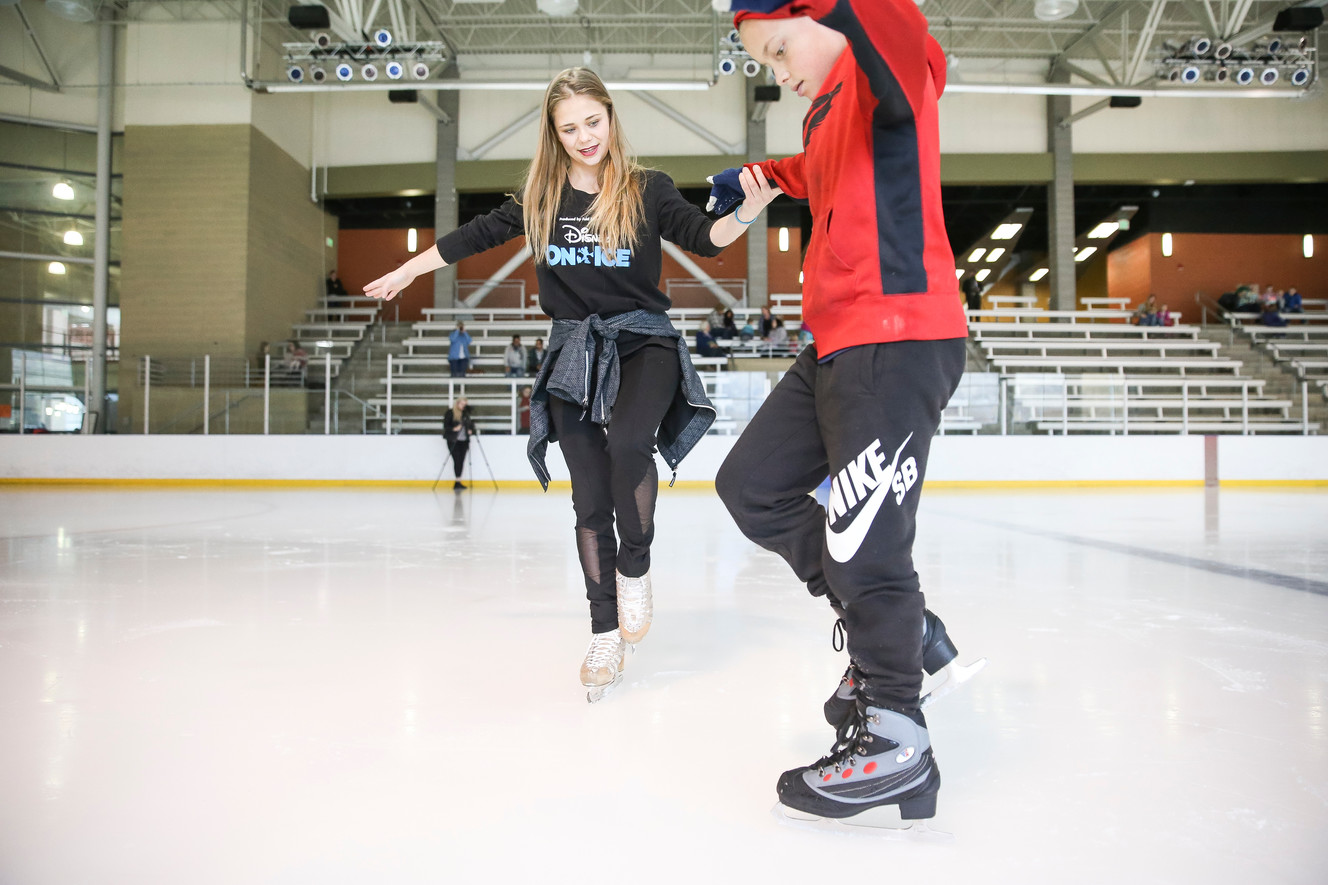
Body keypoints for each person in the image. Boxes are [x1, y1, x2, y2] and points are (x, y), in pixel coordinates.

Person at [363, 67, 778, 699]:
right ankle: (604, 633)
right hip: (575, 348)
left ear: (610, 118)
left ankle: (634, 567)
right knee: (588, 497)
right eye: (569, 127)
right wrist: (407, 270)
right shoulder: (540, 198)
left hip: (644, 341)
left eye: (593, 121)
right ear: (553, 135)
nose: (585, 136)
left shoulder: (646, 188)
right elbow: (470, 237)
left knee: (630, 446)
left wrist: (748, 208)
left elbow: (706, 237)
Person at [711, 0, 975, 826]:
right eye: (763, 61)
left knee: (867, 548)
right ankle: (899, 635)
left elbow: (885, 20)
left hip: (895, 336)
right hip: (835, 342)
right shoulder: (829, 114)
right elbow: (817, 169)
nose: (778, 71)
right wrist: (761, 177)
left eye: (781, 47)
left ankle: (897, 731)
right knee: (752, 486)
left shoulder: (892, 69)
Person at [443, 397, 476, 490]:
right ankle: (457, 481)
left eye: (464, 405)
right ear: (457, 403)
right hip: (453, 440)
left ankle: (458, 481)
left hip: (464, 441)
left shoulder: (465, 414)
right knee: (457, 460)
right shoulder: (450, 413)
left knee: (461, 460)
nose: (463, 406)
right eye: (462, 404)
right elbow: (446, 426)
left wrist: (470, 430)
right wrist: (454, 429)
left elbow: (470, 425)